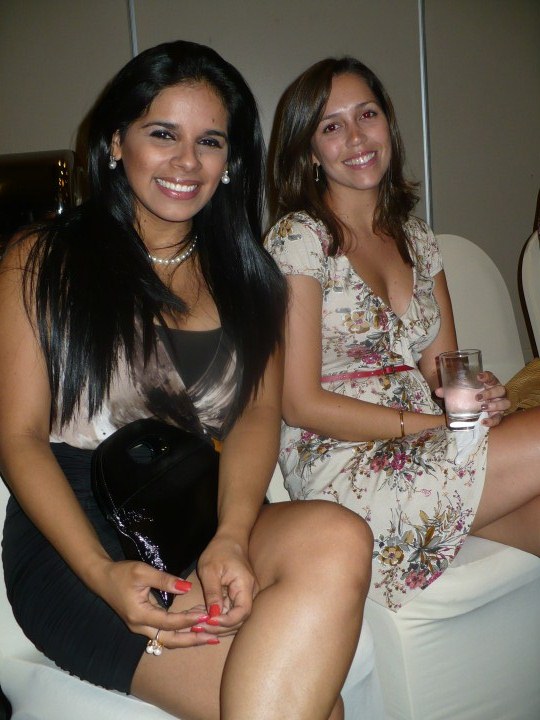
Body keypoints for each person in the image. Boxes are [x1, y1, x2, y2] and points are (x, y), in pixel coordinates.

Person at [0, 42, 373, 720]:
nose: (187, 162)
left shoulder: (252, 276)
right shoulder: (41, 259)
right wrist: (101, 573)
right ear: (116, 142)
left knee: (340, 534)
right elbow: (17, 436)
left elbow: (256, 416)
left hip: (198, 514)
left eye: (209, 141)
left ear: (230, 162)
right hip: (77, 535)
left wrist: (232, 534)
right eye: (162, 134)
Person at [265, 55, 540, 613]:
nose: (356, 137)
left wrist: (479, 395)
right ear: (309, 151)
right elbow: (299, 403)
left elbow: (445, 371)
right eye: (331, 126)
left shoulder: (418, 239)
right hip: (345, 465)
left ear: (388, 123)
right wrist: (437, 425)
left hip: (430, 444)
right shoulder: (299, 239)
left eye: (367, 114)